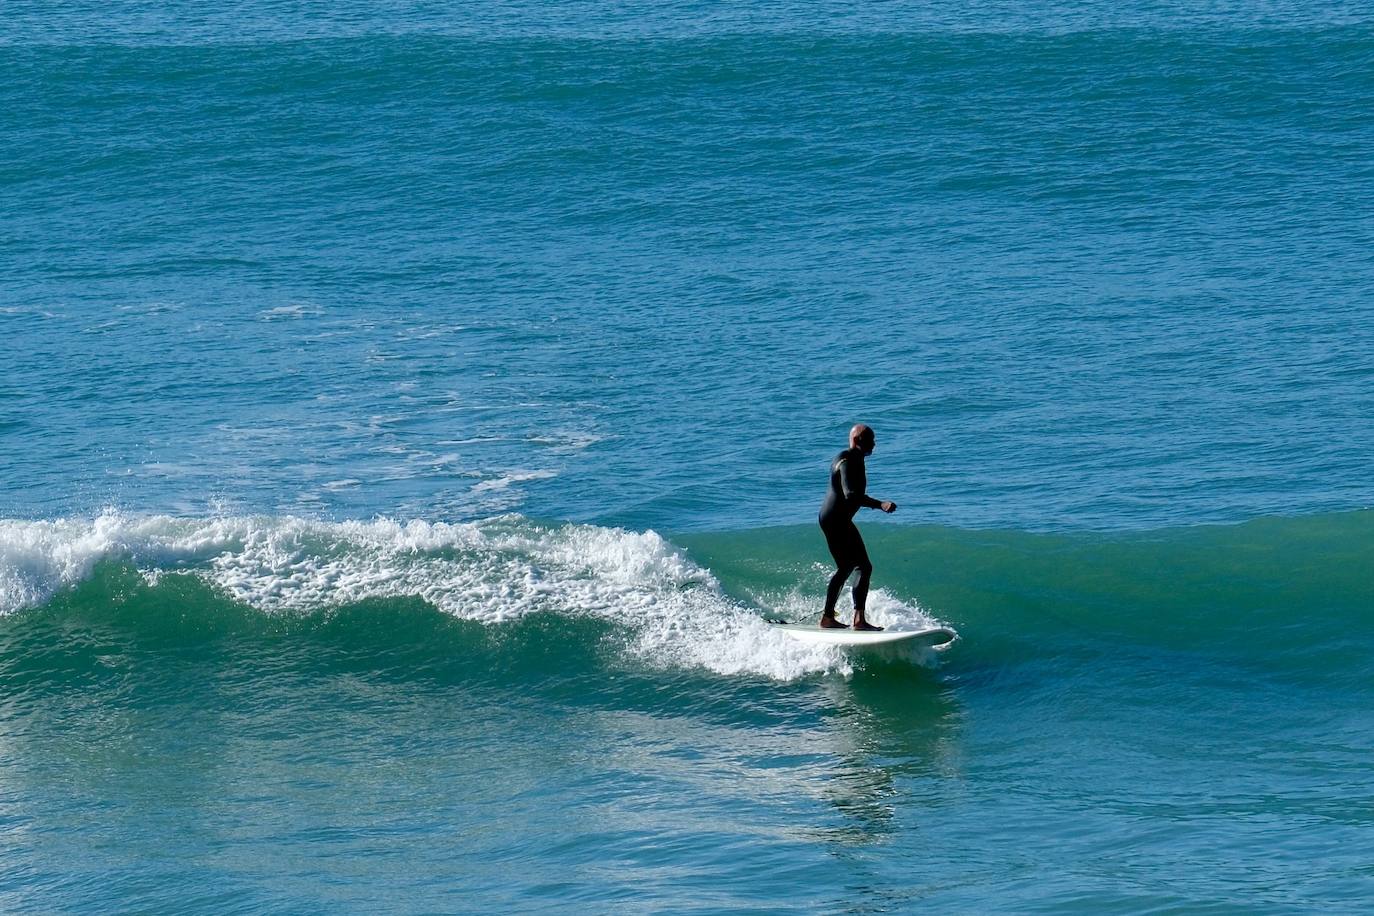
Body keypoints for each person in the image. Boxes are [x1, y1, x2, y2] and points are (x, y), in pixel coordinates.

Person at [818, 424, 896, 630]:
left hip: (835, 518)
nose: (875, 444)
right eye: (871, 440)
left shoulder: (855, 459)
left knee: (845, 567)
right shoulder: (846, 460)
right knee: (863, 566)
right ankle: (859, 620)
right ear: (858, 441)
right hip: (836, 519)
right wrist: (880, 504)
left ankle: (828, 618)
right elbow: (850, 494)